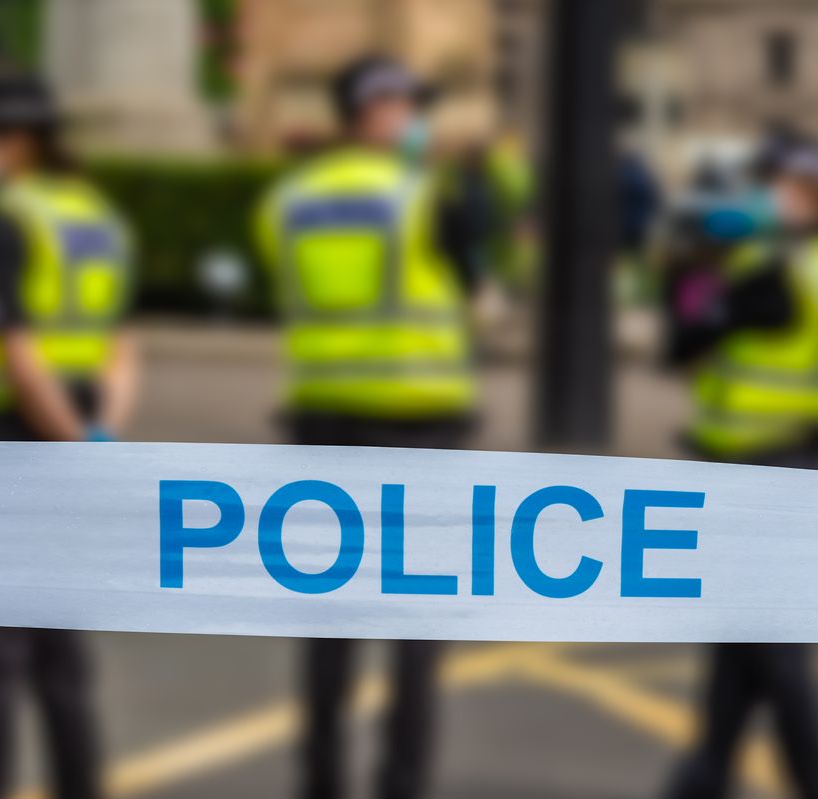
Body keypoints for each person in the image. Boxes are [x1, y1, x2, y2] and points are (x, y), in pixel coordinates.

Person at [254, 55, 480, 799]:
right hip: (421, 422)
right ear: (374, 111)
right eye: (408, 106)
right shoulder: (420, 194)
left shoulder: (288, 200)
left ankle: (319, 782)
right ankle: (401, 784)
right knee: (414, 629)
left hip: (322, 422)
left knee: (328, 622)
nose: (417, 120)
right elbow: (469, 282)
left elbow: (279, 285)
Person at [0, 73, 137, 799]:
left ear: (18, 140)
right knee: (63, 666)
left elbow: (19, 356)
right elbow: (119, 344)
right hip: (73, 443)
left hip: (10, 448)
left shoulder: (5, 217)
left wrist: (64, 439)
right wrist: (98, 435)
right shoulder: (94, 217)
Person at [662, 144, 818, 799]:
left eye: (777, 185)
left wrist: (693, 281)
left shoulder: (781, 270)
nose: (764, 196)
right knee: (742, 643)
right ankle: (702, 778)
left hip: (759, 463)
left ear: (810, 192)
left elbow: (686, 341)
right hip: (798, 453)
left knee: (776, 653)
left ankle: (811, 784)